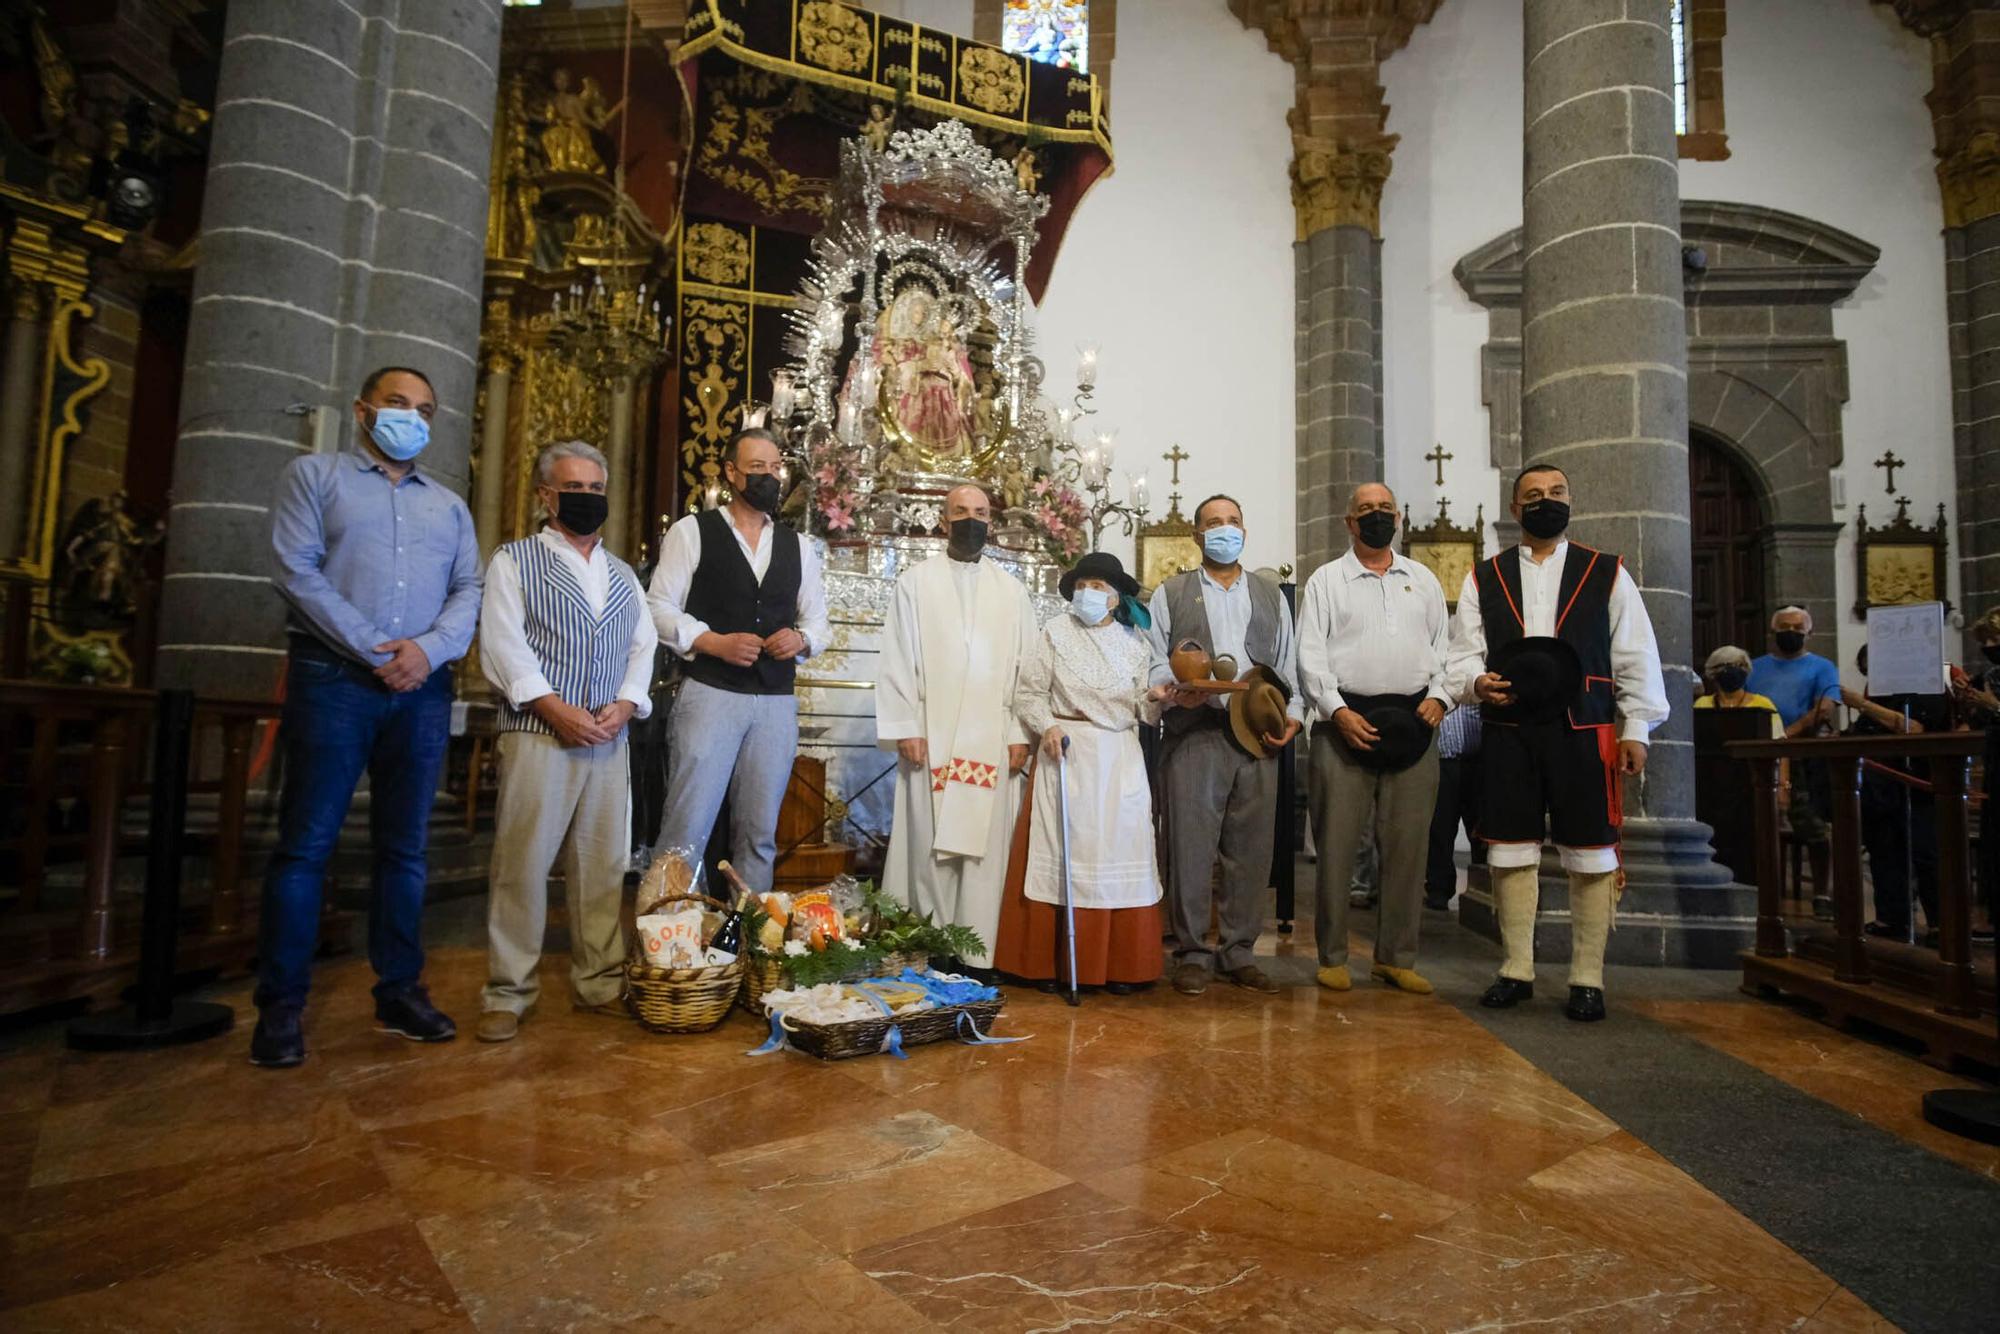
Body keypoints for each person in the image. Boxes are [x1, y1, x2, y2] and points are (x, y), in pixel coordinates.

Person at [254, 366, 482, 1068]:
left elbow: (469, 587)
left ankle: (399, 990)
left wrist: (427, 652)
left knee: (405, 849)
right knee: (306, 846)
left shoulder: (448, 506)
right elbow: (295, 569)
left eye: (423, 409)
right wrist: (374, 647)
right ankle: (283, 1009)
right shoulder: (315, 477)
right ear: (363, 411)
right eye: (396, 405)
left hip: (421, 686)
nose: (410, 417)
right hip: (334, 678)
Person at [1448, 462, 1668, 1023]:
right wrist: (1476, 683)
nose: (1547, 501)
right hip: (1510, 730)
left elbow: (1635, 654)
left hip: (1586, 728)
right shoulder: (1485, 577)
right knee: (1510, 846)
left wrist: (1636, 727)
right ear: (1516, 509)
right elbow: (1462, 656)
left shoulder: (1607, 573)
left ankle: (1587, 978)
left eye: (1558, 492)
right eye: (1534, 496)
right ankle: (1516, 968)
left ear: (1571, 500)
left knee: (1591, 852)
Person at [475, 442, 657, 1043]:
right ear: (545, 495)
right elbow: (503, 644)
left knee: (602, 865)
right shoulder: (515, 561)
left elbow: (642, 646)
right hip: (538, 733)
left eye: (595, 488)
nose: (587, 498)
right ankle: (509, 990)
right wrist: (553, 708)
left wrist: (627, 704)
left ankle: (600, 980)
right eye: (573, 488)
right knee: (523, 863)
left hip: (609, 737)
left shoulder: (623, 573)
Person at [648, 427, 831, 892]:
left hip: (774, 702)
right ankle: (676, 944)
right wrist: (711, 641)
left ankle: (749, 941)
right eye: (757, 469)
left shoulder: (799, 547)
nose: (769, 478)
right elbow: (658, 607)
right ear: (731, 472)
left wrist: (802, 639)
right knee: (687, 826)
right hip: (710, 693)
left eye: (775, 469)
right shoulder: (692, 533)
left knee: (759, 834)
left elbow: (819, 622)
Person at [1296, 483, 1451, 995]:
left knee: (1408, 847)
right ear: (1349, 522)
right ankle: (1333, 955)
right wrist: (1336, 711)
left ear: (1399, 518)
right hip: (1344, 721)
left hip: (1414, 722)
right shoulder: (1327, 581)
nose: (1377, 516)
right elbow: (1310, 654)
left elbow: (1445, 650)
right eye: (1366, 510)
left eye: (1385, 509)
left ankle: (1396, 957)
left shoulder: (1423, 580)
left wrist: (1442, 697)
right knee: (1337, 846)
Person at [876, 484, 1037, 970]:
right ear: (943, 521)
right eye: (961, 512)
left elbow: (1026, 670)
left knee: (985, 850)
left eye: (981, 512)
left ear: (992, 521)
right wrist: (906, 724)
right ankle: (930, 946)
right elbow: (897, 659)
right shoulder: (915, 583)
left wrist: (1018, 732)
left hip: (992, 737)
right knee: (930, 845)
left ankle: (979, 949)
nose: (972, 520)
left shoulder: (1012, 591)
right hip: (932, 733)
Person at [1149, 495, 1304, 997]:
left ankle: (1238, 950)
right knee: (1191, 847)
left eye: (1233, 522)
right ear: (1196, 536)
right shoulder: (1171, 593)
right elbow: (1152, 661)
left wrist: (1293, 718)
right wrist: (1173, 690)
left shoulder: (1270, 594)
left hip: (1257, 735)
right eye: (1213, 523)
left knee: (1251, 850)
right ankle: (1192, 952)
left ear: (1245, 530)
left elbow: (1289, 666)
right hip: (1196, 731)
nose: (1224, 530)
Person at [996, 552, 1168, 991]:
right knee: (1064, 850)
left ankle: (1120, 964)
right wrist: (1047, 726)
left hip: (1119, 757)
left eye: (1098, 586)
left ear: (1115, 598)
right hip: (1068, 750)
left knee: (1119, 848)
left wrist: (1161, 699)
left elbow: (1140, 707)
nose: (1088, 593)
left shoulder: (1135, 644)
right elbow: (1030, 693)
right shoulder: (1054, 632)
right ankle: (1049, 964)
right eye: (1083, 584)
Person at [1846, 643, 1946, 941]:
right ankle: (1892, 918)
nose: (1869, 673)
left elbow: (1913, 728)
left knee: (1926, 853)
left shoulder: (1929, 689)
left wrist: (1861, 704)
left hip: (1921, 782)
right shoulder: (1877, 692)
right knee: (1885, 851)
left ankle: (1942, 923)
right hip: (1883, 786)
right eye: (1865, 668)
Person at [1748, 606, 1841, 859]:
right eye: (1785, 628)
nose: (1790, 632)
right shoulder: (1755, 667)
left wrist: (1786, 733)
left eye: (1797, 628)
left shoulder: (1822, 667)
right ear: (1773, 631)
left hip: (1803, 755)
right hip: (1761, 753)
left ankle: (1822, 891)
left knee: (1813, 826)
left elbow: (1825, 707)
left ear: (1809, 632)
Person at [1950, 607, 2000, 941]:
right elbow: (1978, 721)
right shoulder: (1991, 674)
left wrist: (1993, 704)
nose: (1991, 645)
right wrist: (1967, 702)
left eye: (1996, 638)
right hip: (1995, 759)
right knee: (1993, 843)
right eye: (1987, 640)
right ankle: (1991, 917)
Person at [1425, 702, 1483, 912]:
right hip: (1441, 762)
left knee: (1479, 830)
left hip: (1475, 762)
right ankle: (1438, 889)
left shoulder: (1474, 671)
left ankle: (1483, 886)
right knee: (1440, 828)